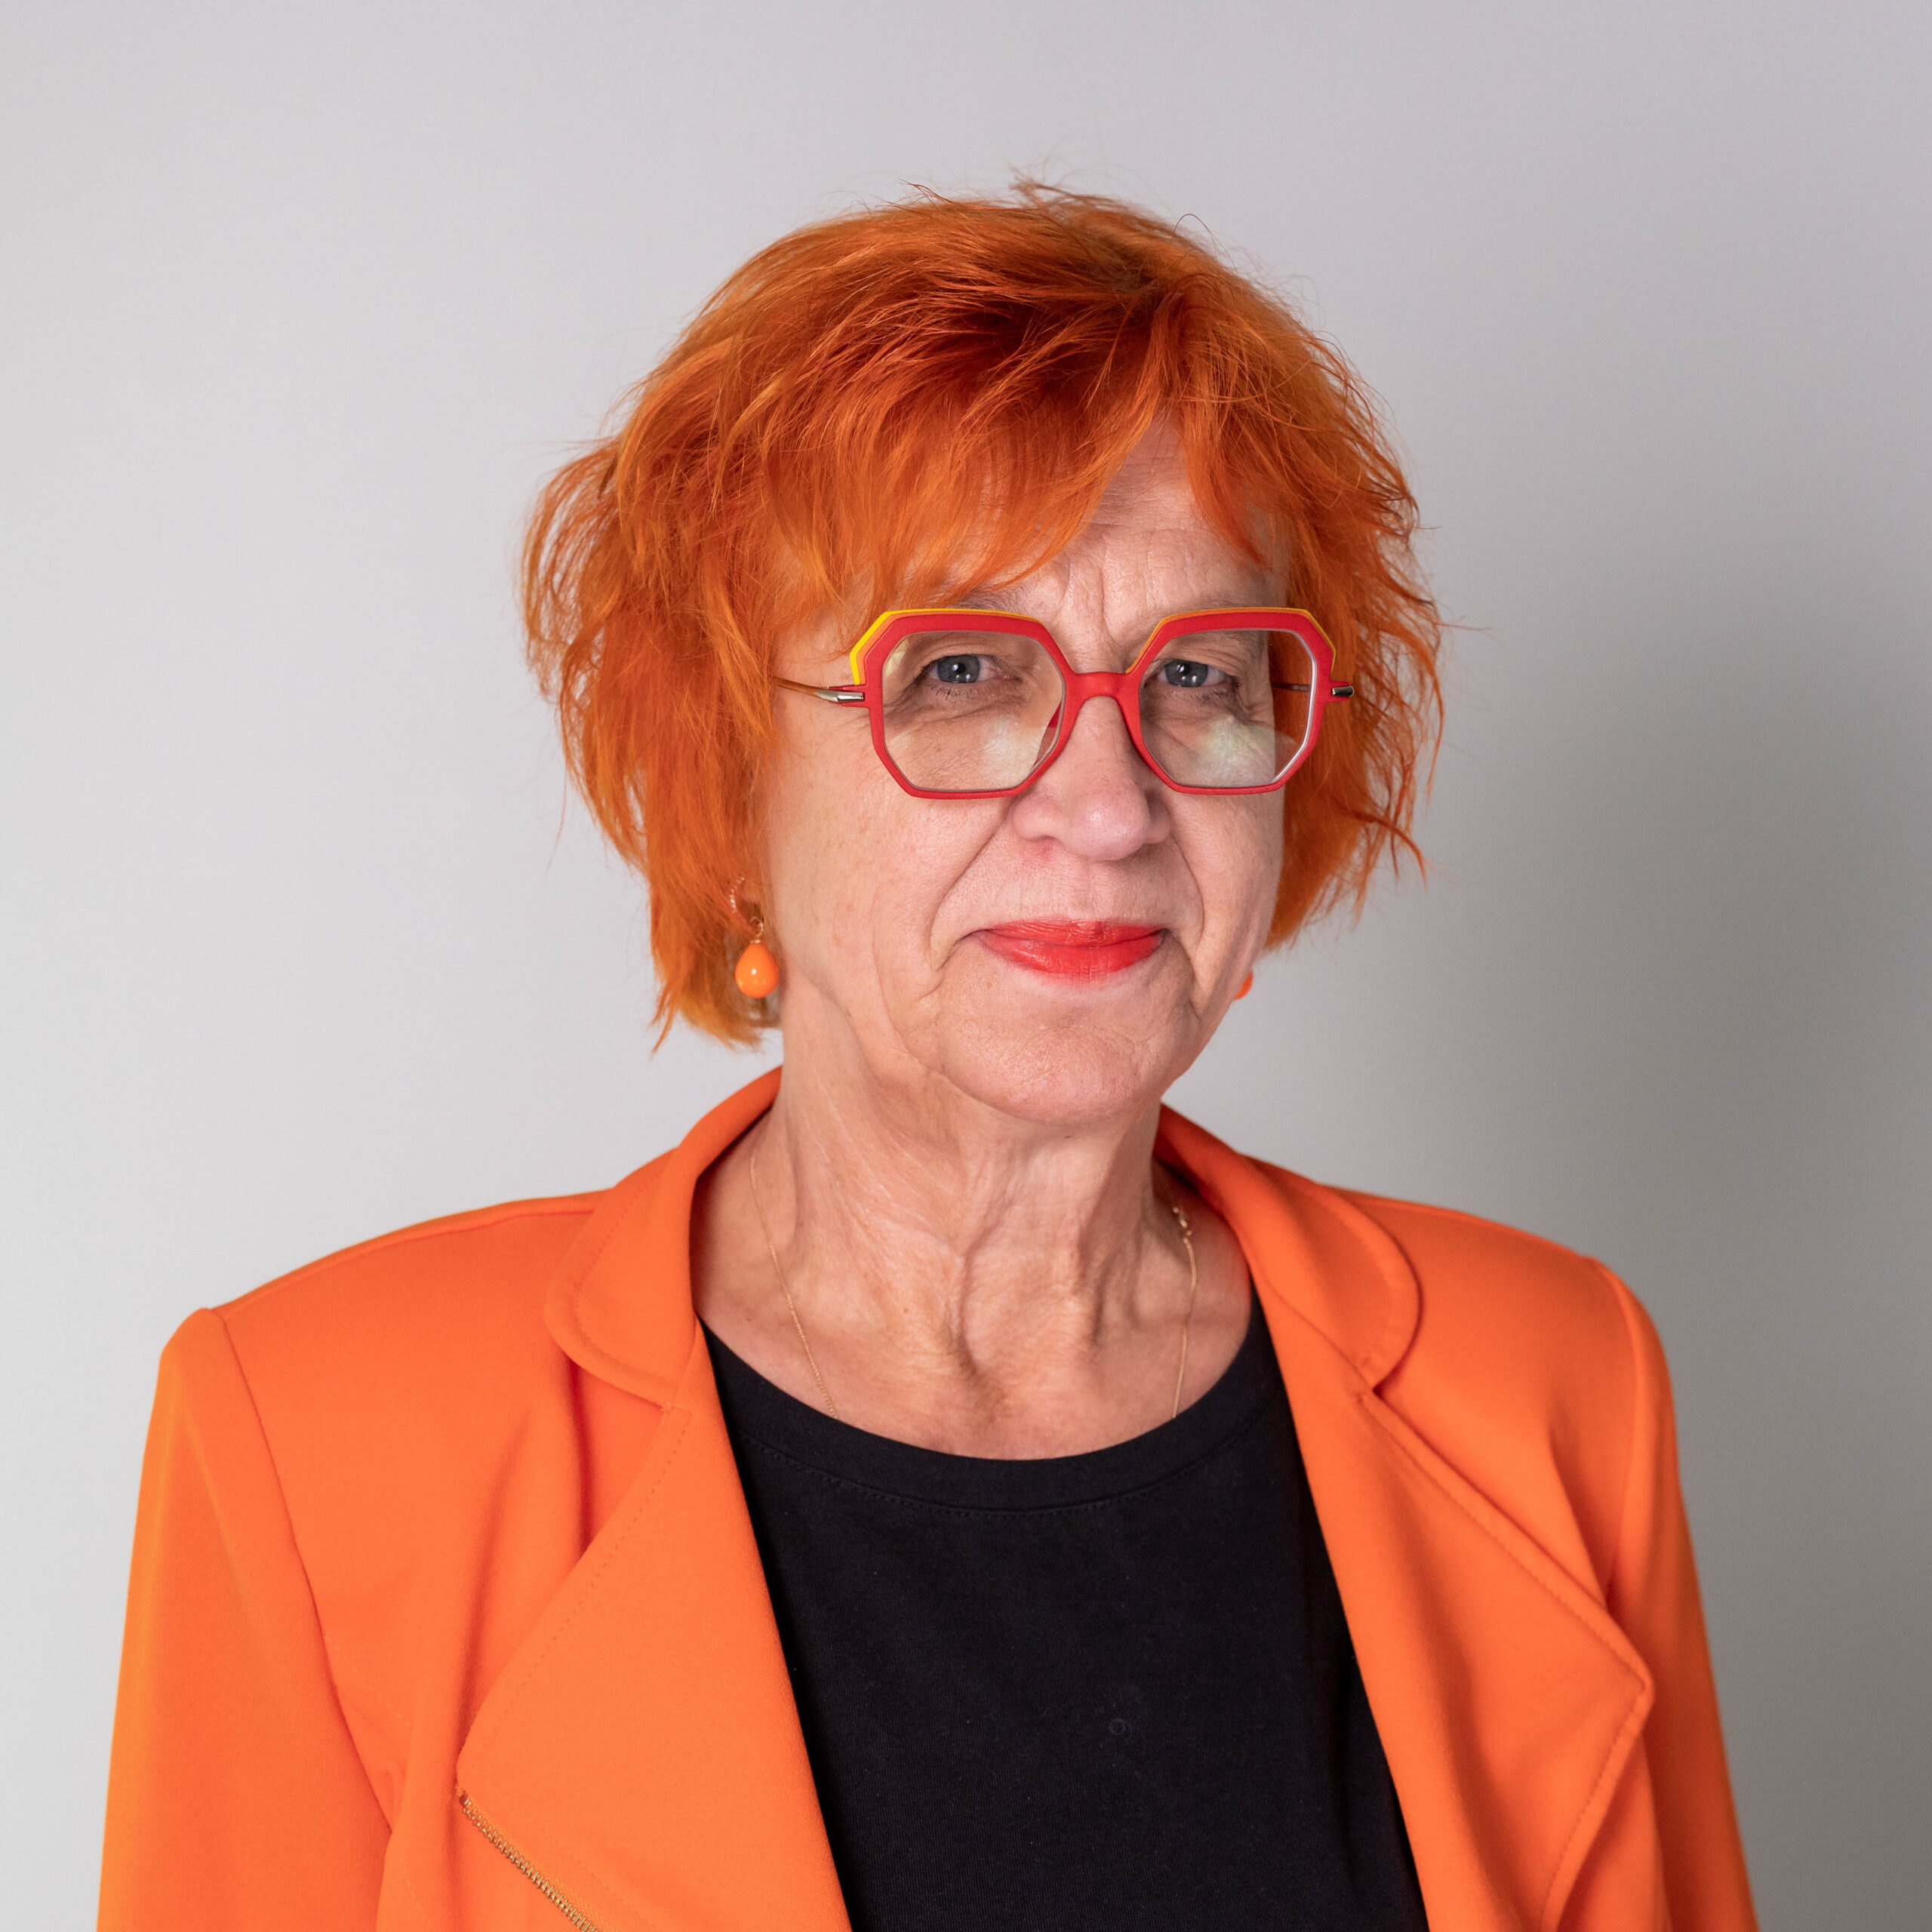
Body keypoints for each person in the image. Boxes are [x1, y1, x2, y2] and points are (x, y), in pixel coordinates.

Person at [100, 186, 1757, 1931]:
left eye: (1199, 673)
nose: (1109, 806)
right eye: (959, 669)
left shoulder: (1548, 1382)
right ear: (721, 773)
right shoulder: (319, 1435)